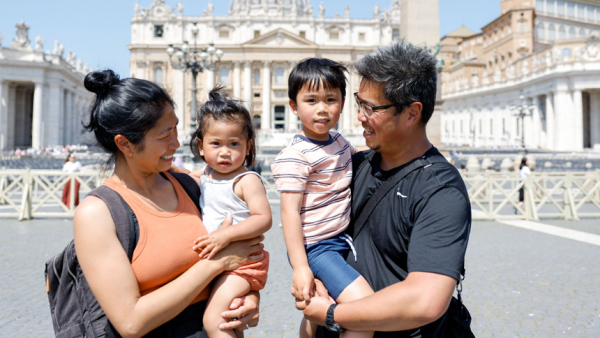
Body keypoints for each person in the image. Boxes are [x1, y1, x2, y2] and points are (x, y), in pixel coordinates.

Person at [299, 41, 471, 337]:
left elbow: (425, 300)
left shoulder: (441, 191)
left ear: (411, 113)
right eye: (359, 103)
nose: (360, 116)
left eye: (371, 108)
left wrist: (331, 314)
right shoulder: (353, 164)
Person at [74, 70, 264, 338]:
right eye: (165, 136)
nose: (177, 143)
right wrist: (215, 264)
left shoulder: (190, 185)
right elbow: (131, 323)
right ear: (125, 144)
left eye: (176, 128)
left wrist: (250, 297)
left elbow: (244, 256)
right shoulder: (98, 213)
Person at [271, 58, 374, 338]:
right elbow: (289, 213)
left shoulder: (340, 142)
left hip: (343, 239)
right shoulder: (295, 157)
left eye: (331, 99)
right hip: (318, 248)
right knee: (366, 311)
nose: (322, 109)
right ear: (293, 106)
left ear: (343, 102)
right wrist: (301, 268)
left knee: (320, 309)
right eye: (311, 100)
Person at [189, 87, 271, 338]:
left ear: (248, 147)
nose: (225, 151)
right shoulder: (204, 175)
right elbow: (180, 176)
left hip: (243, 264)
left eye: (234, 144)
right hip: (224, 263)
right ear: (201, 147)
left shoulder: (246, 180)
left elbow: (264, 218)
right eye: (216, 144)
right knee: (231, 321)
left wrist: (226, 236)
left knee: (215, 320)